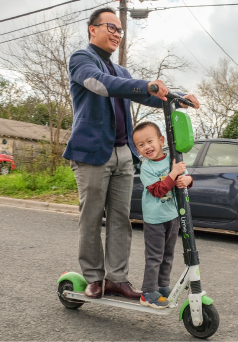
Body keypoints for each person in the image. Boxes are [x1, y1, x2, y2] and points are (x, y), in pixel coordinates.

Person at [64, 7, 199, 299]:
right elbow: (102, 86)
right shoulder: (81, 60)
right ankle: (94, 278)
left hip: (123, 154)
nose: (116, 34)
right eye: (111, 27)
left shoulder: (121, 71)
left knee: (119, 220)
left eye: (120, 30)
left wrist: (177, 98)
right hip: (91, 154)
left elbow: (147, 94)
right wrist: (144, 84)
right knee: (91, 219)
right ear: (93, 29)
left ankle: (116, 278)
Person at [132, 122, 193, 308]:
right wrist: (173, 174)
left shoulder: (172, 160)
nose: (146, 147)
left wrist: (187, 180)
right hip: (154, 219)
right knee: (155, 256)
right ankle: (148, 292)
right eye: (140, 145)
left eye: (149, 141)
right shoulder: (147, 167)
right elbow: (158, 190)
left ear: (161, 140)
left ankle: (162, 286)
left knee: (168, 255)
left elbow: (186, 177)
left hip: (172, 216)